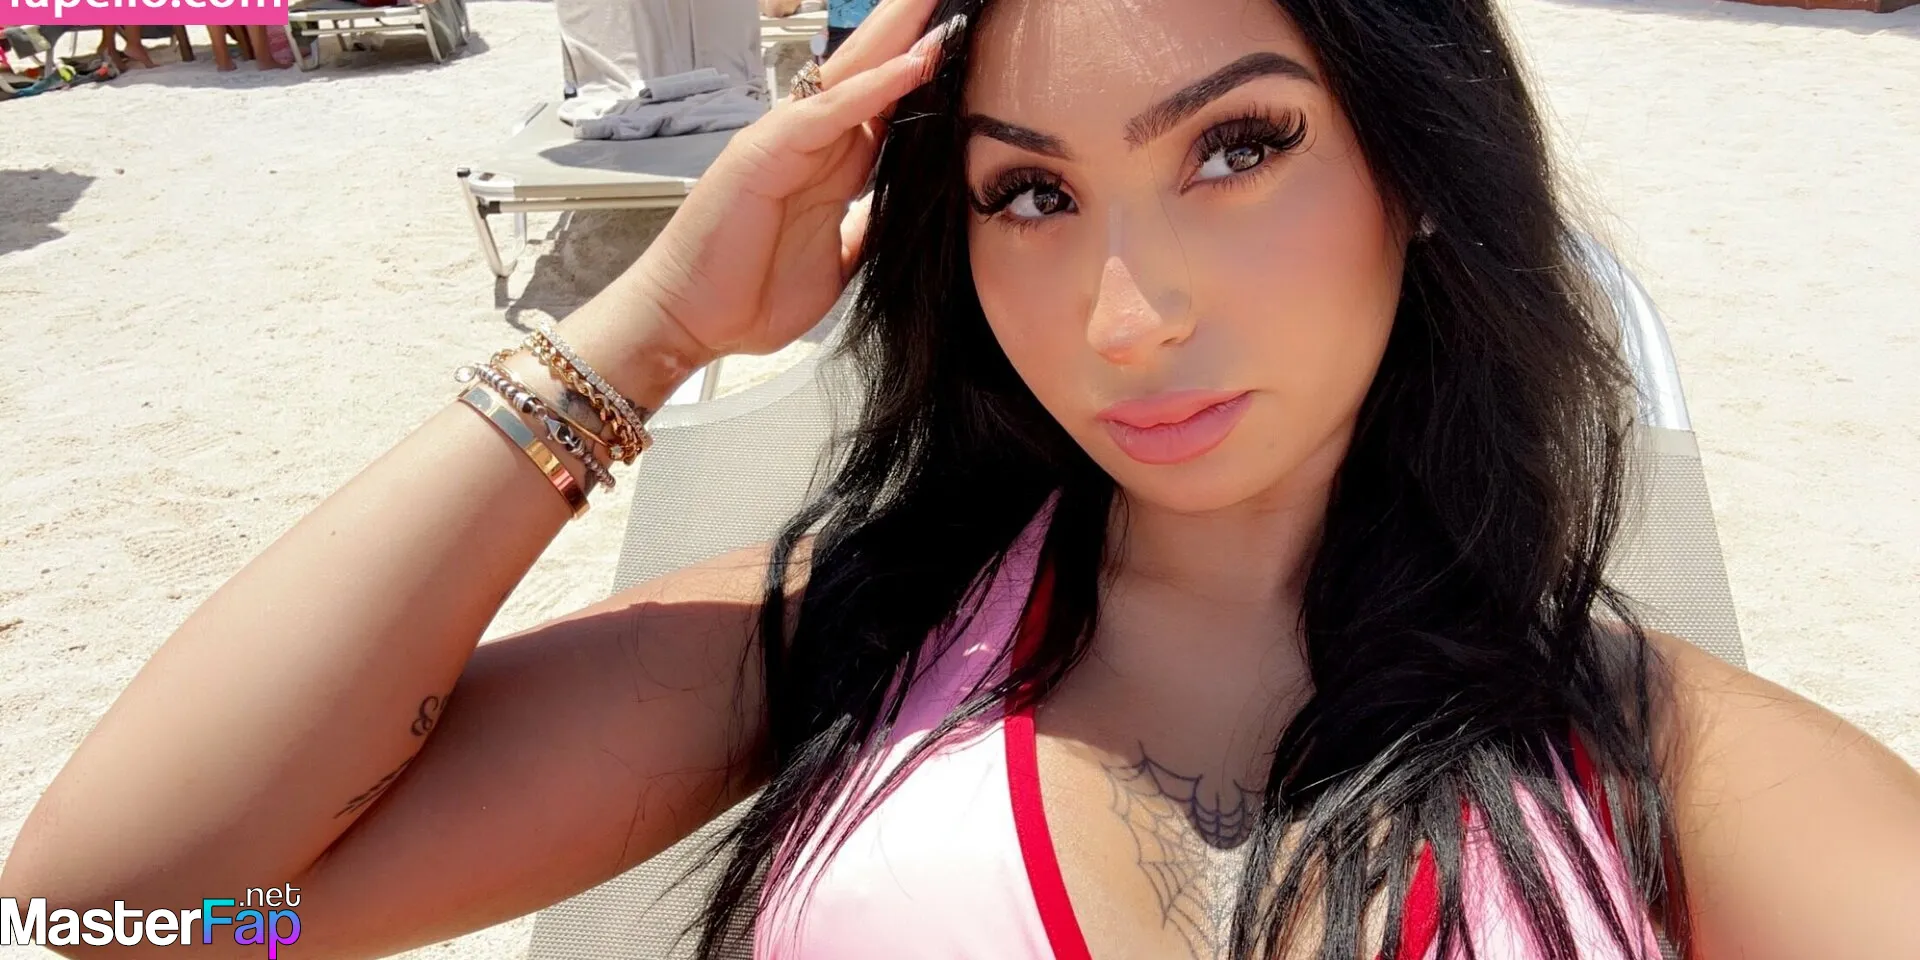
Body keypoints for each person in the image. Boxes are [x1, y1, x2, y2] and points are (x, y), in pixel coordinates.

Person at [5, 0, 1919, 956]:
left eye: (1238, 148)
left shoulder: (1668, 772)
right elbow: (111, 929)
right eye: (1030, 193)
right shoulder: (845, 642)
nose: (1127, 319)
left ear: (1419, 167)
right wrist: (642, 335)